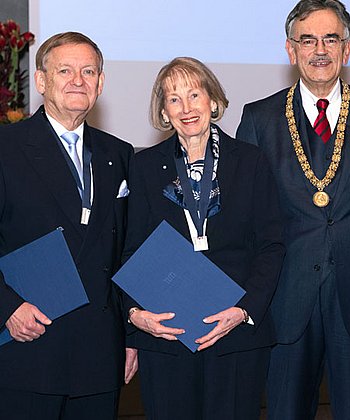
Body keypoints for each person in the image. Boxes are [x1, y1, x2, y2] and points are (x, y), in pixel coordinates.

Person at [236, 0, 350, 418]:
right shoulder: (259, 118)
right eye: (308, 39)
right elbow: (244, 218)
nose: (320, 49)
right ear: (290, 48)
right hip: (285, 297)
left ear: (347, 49)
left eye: (330, 39)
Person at [122, 57, 285, 419]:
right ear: (164, 112)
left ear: (213, 101)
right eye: (174, 99)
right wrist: (134, 316)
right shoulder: (144, 167)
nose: (186, 108)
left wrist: (244, 310)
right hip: (166, 335)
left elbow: (271, 246)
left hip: (235, 334)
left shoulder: (251, 161)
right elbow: (132, 251)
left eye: (194, 94)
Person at [0, 32, 136, 419]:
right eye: (65, 70)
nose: (78, 80)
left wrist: (131, 334)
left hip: (99, 353)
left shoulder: (119, 154)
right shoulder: (6, 147)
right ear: (41, 81)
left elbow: (126, 251)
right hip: (28, 343)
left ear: (101, 83)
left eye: (88, 71)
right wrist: (7, 308)